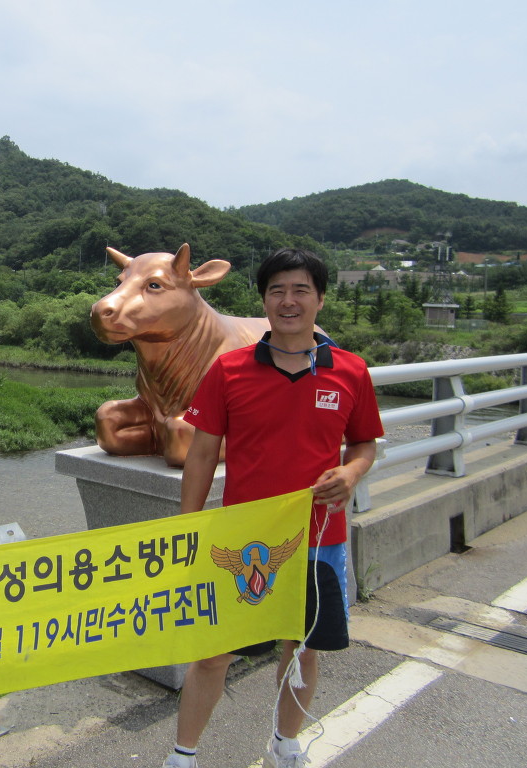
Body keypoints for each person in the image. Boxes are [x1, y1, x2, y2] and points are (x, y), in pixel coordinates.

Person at [162, 248, 384, 768]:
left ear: (320, 300)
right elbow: (201, 456)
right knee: (213, 654)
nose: (288, 301)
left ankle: (286, 744)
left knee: (302, 648)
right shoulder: (229, 369)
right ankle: (182, 755)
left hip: (319, 539)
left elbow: (364, 445)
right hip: (243, 541)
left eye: (301, 290)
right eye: (277, 291)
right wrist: (190, 528)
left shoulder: (351, 371)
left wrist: (351, 473)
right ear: (263, 301)